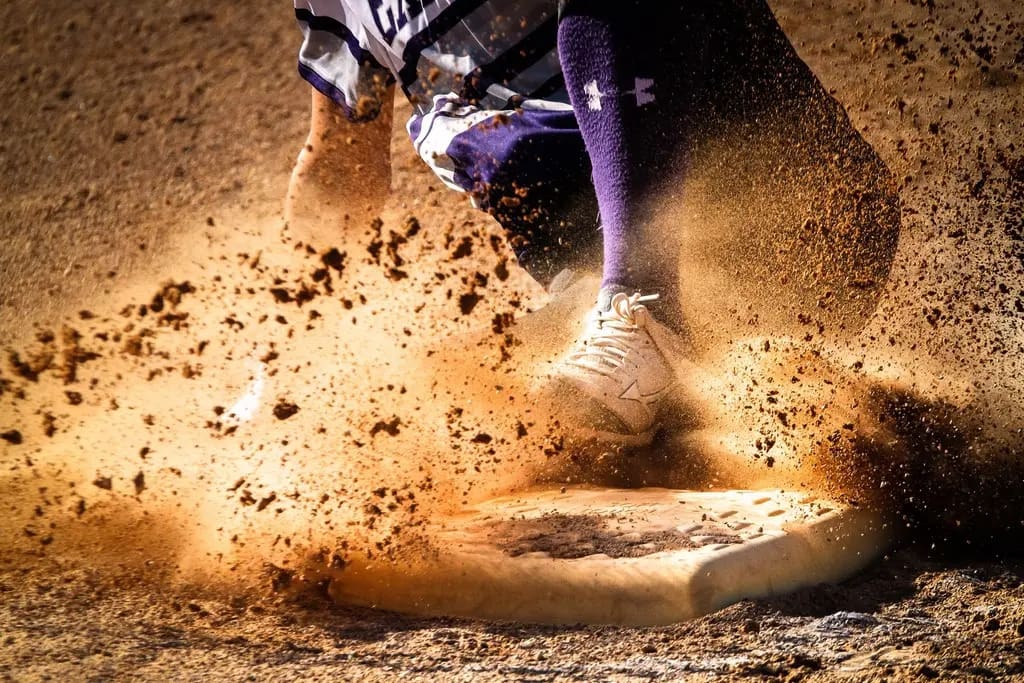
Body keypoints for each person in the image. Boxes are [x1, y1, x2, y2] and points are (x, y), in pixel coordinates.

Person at [286, 1, 810, 445]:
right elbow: (340, 163)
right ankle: (646, 372)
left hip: (791, 230)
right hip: (586, 297)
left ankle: (648, 315)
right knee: (408, 408)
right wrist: (295, 349)